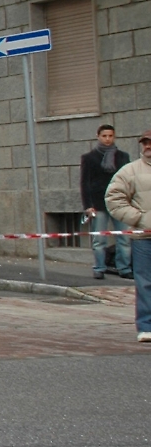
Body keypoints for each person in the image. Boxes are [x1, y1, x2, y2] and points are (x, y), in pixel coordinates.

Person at [104, 129, 151, 344]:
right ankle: (146, 326)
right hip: (143, 238)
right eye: (145, 143)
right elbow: (113, 198)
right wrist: (139, 218)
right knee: (145, 283)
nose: (148, 146)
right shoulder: (130, 171)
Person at [82, 124, 134, 279]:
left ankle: (124, 268)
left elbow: (129, 180)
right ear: (98, 136)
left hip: (120, 202)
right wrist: (88, 205)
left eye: (110, 136)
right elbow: (85, 183)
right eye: (104, 136)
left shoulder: (122, 156)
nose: (107, 139)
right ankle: (99, 268)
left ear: (114, 136)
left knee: (124, 238)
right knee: (99, 239)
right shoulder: (89, 158)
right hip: (98, 204)